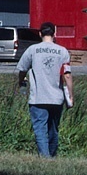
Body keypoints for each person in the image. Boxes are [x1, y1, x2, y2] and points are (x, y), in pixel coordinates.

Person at [16, 22, 73, 158]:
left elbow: (22, 69)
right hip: (56, 97)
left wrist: (21, 81)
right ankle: (52, 155)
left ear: (40, 34)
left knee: (40, 129)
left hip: (38, 97)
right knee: (53, 129)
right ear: (55, 34)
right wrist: (70, 95)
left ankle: (45, 157)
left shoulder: (32, 50)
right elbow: (67, 75)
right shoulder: (63, 51)